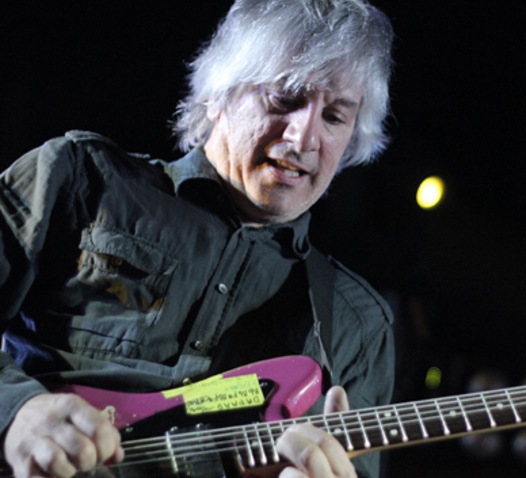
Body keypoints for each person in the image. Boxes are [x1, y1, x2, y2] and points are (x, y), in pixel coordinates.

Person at [0, 1, 395, 477]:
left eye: (335, 117)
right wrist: (15, 413)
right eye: (285, 98)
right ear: (218, 93)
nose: (305, 136)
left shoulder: (358, 324)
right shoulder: (79, 179)